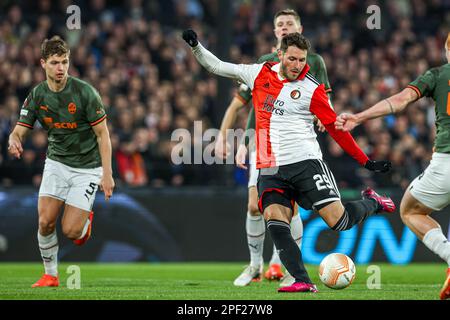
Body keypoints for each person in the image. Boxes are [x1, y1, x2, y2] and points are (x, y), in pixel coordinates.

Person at [183, 30, 395, 293]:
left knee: (338, 222)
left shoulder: (312, 88)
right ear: (280, 54)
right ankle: (302, 280)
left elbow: (336, 130)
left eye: (302, 60)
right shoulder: (259, 73)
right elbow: (217, 65)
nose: (297, 66)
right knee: (274, 218)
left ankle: (374, 202)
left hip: (306, 163)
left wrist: (366, 162)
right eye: (292, 59)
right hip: (270, 167)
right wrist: (195, 46)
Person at [215, 8, 332, 287]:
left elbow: (325, 101)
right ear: (275, 31)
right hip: (264, 143)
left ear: (300, 29)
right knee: (256, 205)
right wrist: (234, 140)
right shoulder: (264, 63)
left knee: (289, 207)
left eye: (289, 23)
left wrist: (323, 117)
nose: (284, 27)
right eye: (279, 24)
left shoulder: (314, 61)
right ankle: (256, 265)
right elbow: (246, 106)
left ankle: (284, 267)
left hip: (296, 144)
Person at [335, 33, 450, 300]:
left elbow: (399, 101)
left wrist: (360, 116)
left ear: (446, 49)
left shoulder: (438, 74)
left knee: (410, 210)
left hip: (446, 160)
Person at [8, 36, 114, 288]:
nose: (61, 68)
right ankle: (51, 275)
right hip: (56, 163)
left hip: (87, 168)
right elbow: (20, 129)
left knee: (71, 231)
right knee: (44, 222)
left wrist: (106, 175)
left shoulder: (85, 93)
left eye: (65, 62)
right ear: (43, 63)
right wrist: (14, 139)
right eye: (55, 62)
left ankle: (84, 223)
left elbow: (103, 135)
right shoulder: (37, 95)